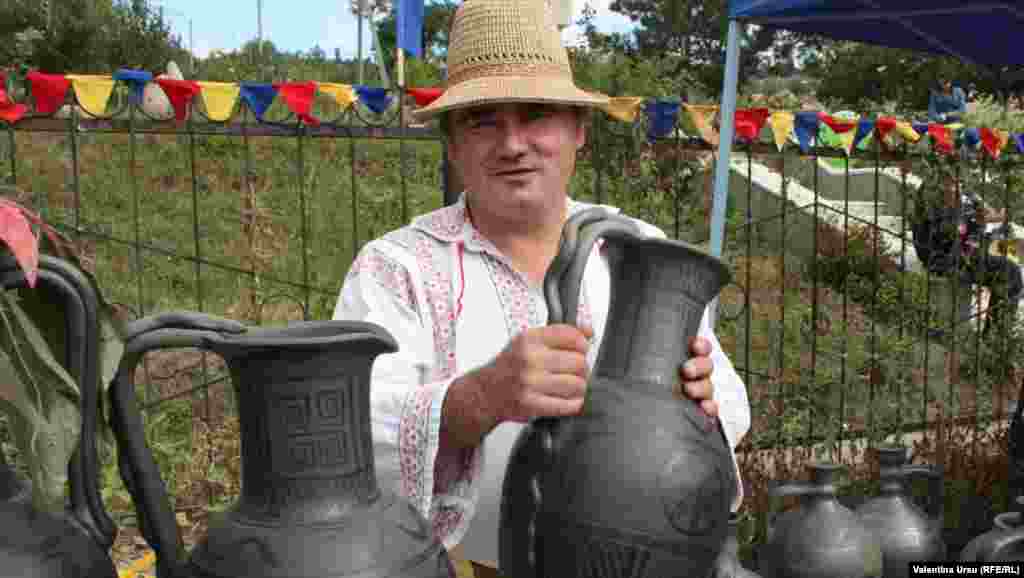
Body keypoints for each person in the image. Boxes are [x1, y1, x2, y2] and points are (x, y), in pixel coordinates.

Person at [332, 0, 751, 576]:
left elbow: (730, 400)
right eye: (483, 120)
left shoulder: (641, 250)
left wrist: (704, 400)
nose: (512, 144)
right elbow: (350, 435)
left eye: (535, 115)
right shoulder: (395, 268)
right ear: (453, 144)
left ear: (578, 131)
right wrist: (477, 399)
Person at [911, 171, 1022, 335]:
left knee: (1015, 249)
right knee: (1009, 271)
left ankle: (997, 332)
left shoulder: (964, 188)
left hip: (971, 246)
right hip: (946, 255)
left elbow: (987, 213)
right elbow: (942, 232)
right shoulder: (932, 188)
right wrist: (968, 217)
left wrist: (991, 217)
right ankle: (996, 337)